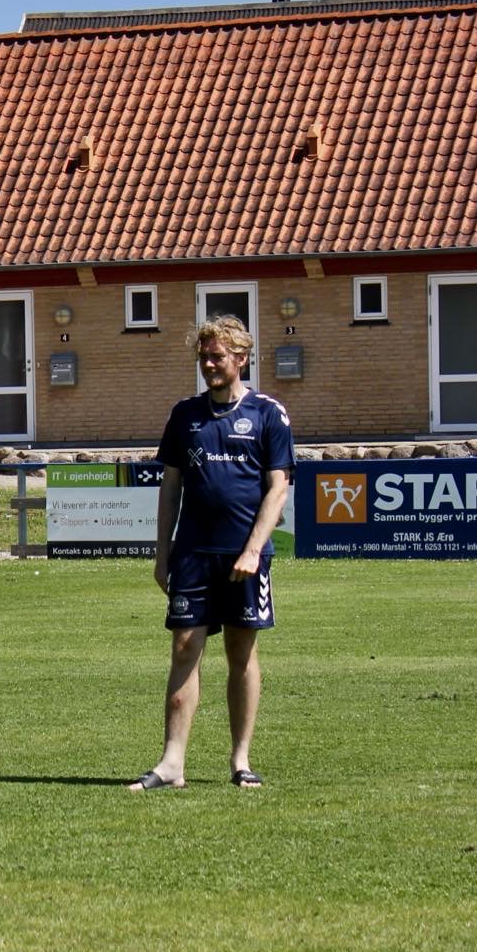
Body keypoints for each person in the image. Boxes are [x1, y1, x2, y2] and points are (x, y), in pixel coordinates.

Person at [129, 315, 294, 791]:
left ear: (241, 358)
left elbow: (278, 488)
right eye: (203, 356)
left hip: (244, 558)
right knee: (184, 647)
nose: (208, 364)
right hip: (193, 555)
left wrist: (253, 550)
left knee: (241, 651)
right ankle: (171, 764)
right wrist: (162, 555)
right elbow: (170, 487)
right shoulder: (185, 415)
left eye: (217, 356)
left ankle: (241, 760)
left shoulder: (268, 413)